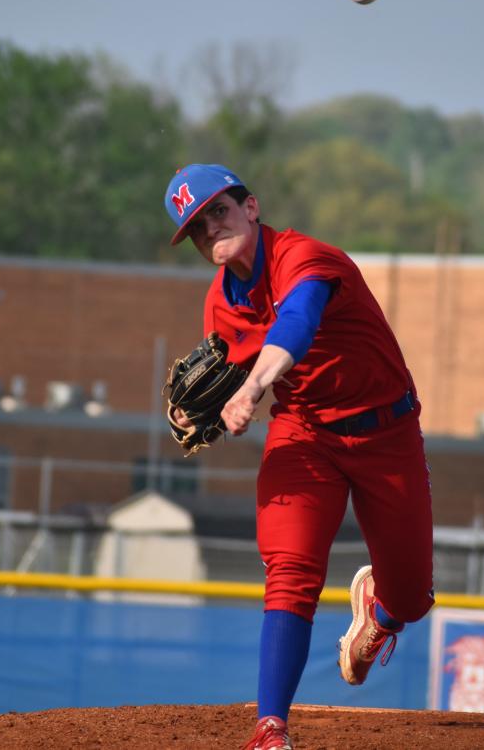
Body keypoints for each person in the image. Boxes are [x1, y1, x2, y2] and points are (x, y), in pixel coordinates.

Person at [162, 164, 435, 750]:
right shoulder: (220, 306)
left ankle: (379, 612)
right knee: (289, 571)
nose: (212, 228)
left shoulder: (304, 257)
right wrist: (200, 413)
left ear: (251, 207)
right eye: (198, 226)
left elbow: (298, 321)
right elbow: (229, 373)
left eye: (220, 211)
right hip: (303, 433)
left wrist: (252, 387)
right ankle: (271, 730)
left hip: (386, 433)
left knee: (412, 598)